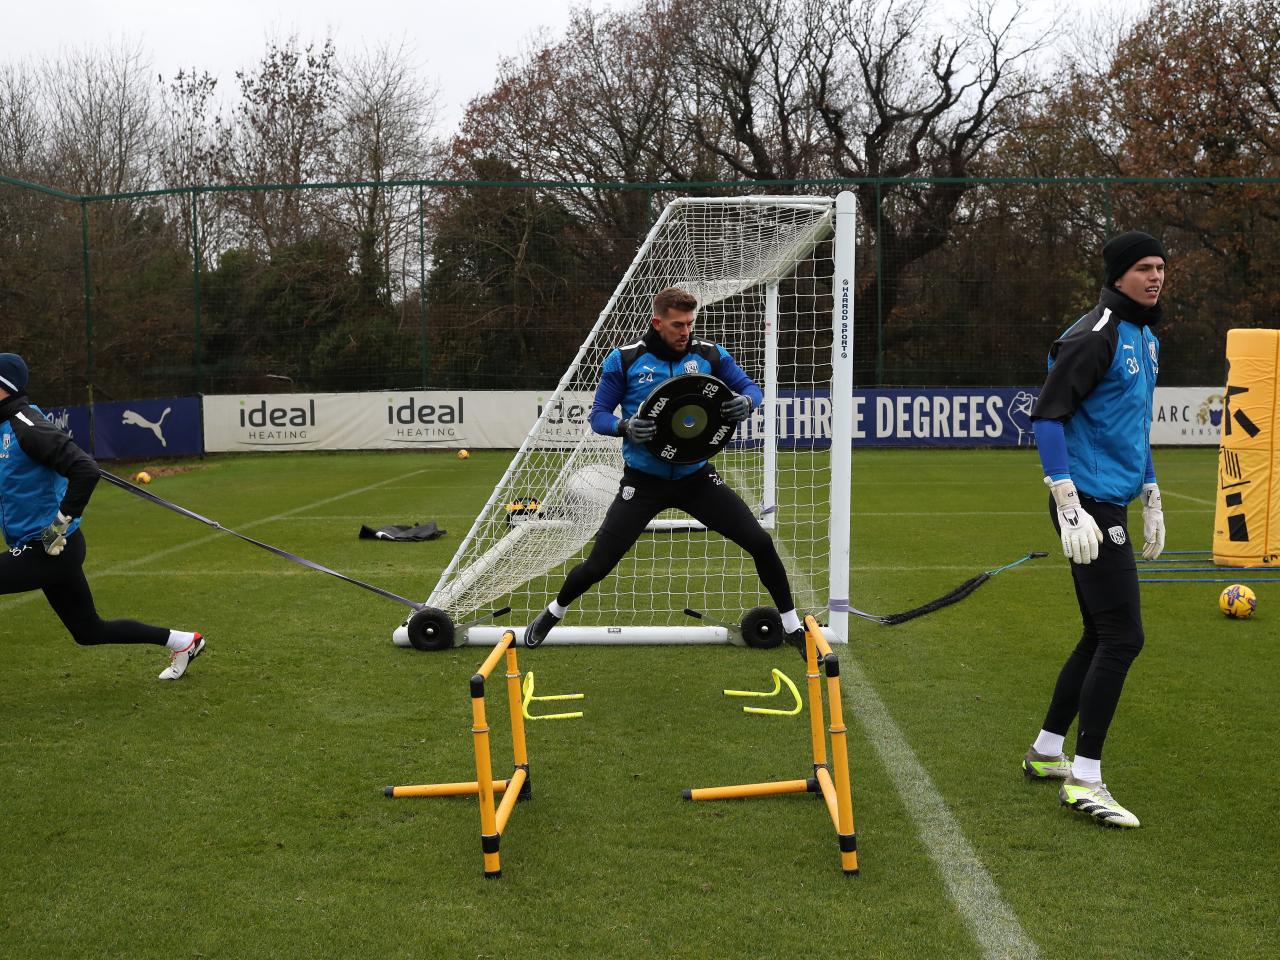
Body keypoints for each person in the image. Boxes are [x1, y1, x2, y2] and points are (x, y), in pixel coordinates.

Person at [523, 286, 807, 649]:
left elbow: (751, 388)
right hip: (643, 483)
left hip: (696, 479)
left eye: (689, 323)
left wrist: (747, 402)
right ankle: (554, 612)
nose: (685, 331)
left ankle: (792, 626)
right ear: (657, 323)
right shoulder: (623, 360)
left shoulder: (710, 355)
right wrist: (624, 427)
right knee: (596, 567)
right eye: (677, 324)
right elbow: (597, 417)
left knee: (760, 542)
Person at [1022, 231, 1168, 829]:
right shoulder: (1095, 333)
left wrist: (1152, 491)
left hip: (1114, 499)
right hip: (1088, 504)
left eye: (1161, 267)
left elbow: (1131, 426)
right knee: (1123, 636)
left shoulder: (1147, 337)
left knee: (1098, 632)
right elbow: (1047, 418)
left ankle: (1048, 752)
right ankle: (1086, 781)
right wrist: (1067, 498)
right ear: (1117, 274)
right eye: (1143, 268)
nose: (1155, 277)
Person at [0, 353, 206, 680]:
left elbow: (85, 469)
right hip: (51, 548)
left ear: (4, 387)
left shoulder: (27, 425)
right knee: (88, 631)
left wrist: (58, 526)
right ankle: (182, 641)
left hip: (50, 546)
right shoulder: (7, 425)